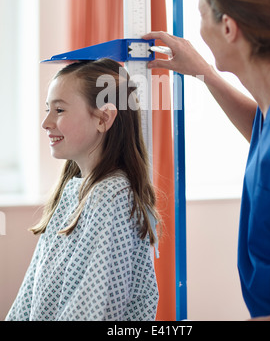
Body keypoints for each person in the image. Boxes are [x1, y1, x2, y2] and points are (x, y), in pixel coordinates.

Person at [144, 0, 270, 321]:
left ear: (228, 27)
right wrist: (204, 73)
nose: (199, 29)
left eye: (201, 15)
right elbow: (269, 140)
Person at [5, 59, 159, 321]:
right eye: (47, 110)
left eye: (59, 110)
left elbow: (91, 309)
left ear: (103, 118)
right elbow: (30, 295)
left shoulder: (111, 197)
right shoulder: (73, 191)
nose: (46, 122)